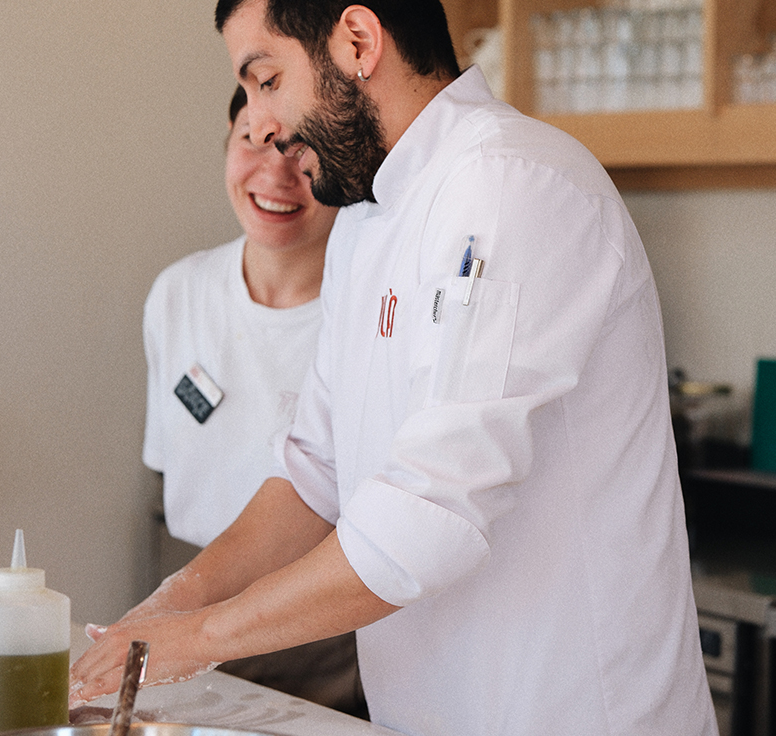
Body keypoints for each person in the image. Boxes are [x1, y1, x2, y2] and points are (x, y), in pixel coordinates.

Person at [70, 2, 719, 734]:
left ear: (357, 41)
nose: (268, 123)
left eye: (267, 78)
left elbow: (426, 516)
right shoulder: (365, 220)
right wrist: (173, 604)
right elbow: (315, 471)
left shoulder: (509, 183)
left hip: (563, 711)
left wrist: (197, 639)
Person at [136, 85, 365, 716]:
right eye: (254, 142)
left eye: (305, 153)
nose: (275, 175)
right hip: (188, 597)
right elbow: (172, 480)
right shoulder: (178, 292)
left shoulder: (368, 318)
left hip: (320, 628)